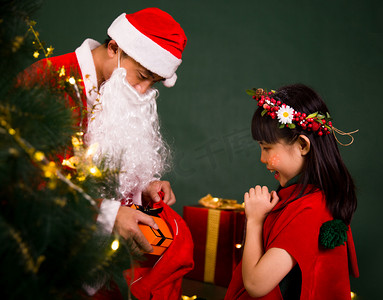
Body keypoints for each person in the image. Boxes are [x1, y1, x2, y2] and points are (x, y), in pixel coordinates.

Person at [20, 7, 193, 299]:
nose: (142, 91)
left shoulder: (121, 88)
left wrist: (144, 184)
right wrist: (108, 215)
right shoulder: (49, 80)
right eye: (142, 76)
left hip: (103, 270)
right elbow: (26, 177)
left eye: (153, 83)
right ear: (114, 48)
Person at [225, 84, 359, 300]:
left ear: (302, 146)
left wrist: (255, 221)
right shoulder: (299, 198)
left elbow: (256, 284)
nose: (262, 158)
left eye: (267, 148)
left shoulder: (311, 208)